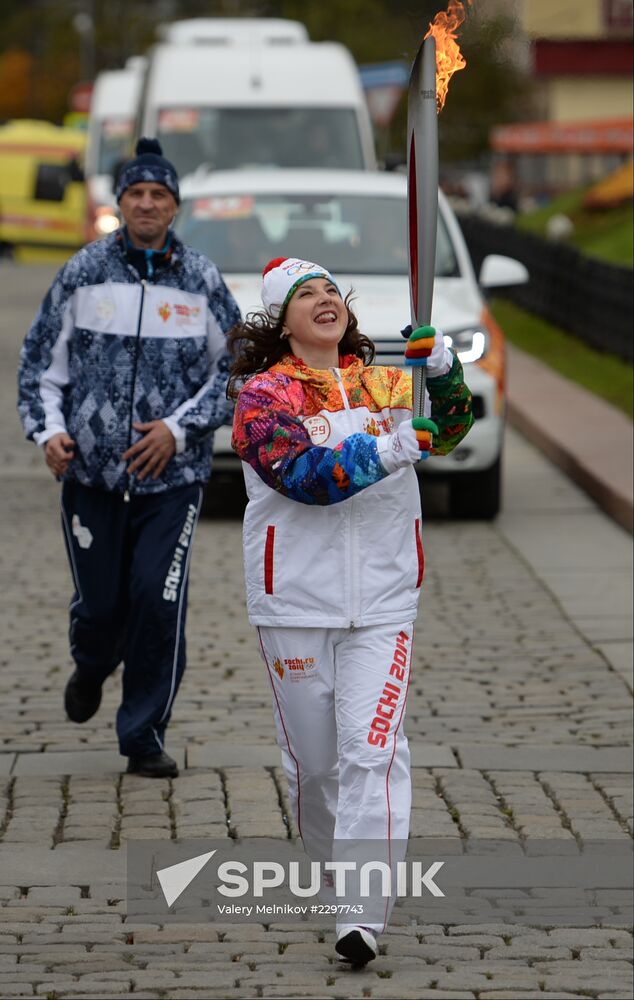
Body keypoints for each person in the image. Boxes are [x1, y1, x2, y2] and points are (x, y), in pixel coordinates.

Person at [228, 256, 473, 964]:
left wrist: (446, 369)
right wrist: (390, 449)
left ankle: (361, 914)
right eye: (307, 294)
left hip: (384, 601)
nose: (325, 299)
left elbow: (448, 429)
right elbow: (304, 478)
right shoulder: (263, 397)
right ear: (282, 320)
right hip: (295, 603)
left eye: (331, 288)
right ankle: (340, 869)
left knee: (373, 751)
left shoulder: (387, 383)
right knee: (317, 765)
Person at [17, 138, 241, 779]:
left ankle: (142, 733)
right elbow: (39, 365)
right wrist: (49, 433)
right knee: (100, 609)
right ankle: (91, 665)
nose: (146, 203)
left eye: (159, 195)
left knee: (156, 599)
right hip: (89, 475)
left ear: (175, 206)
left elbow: (237, 373)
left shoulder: (199, 279)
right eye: (136, 193)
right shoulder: (85, 271)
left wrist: (177, 429)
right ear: (121, 202)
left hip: (172, 479)